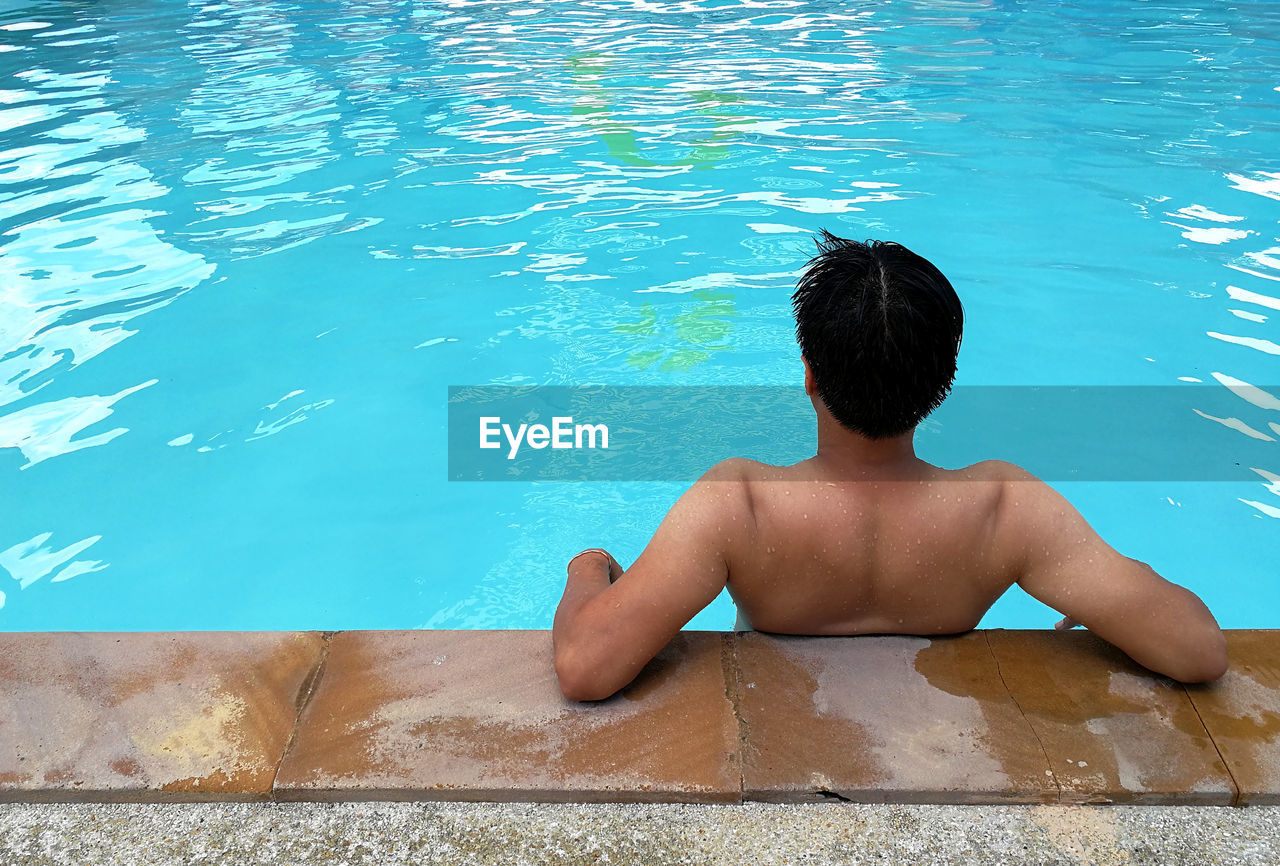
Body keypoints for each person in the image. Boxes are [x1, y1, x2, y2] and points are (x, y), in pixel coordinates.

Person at [552, 230, 1228, 701]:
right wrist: (1112, 594)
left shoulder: (742, 505)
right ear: (945, 377)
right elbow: (1198, 649)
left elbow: (585, 667)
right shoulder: (1003, 508)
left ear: (810, 375)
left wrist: (588, 567)